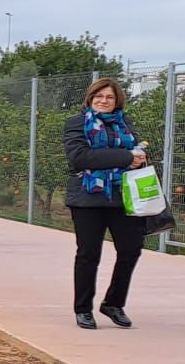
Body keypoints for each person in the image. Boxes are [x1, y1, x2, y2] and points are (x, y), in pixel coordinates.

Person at [63, 78, 151, 330]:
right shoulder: (77, 124)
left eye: (109, 97)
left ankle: (113, 303)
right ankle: (83, 308)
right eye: (99, 96)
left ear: (117, 101)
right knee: (89, 253)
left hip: (122, 195)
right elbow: (80, 157)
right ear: (90, 99)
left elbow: (136, 154)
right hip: (88, 198)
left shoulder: (125, 124)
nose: (104, 101)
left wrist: (136, 158)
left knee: (131, 249)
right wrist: (126, 157)